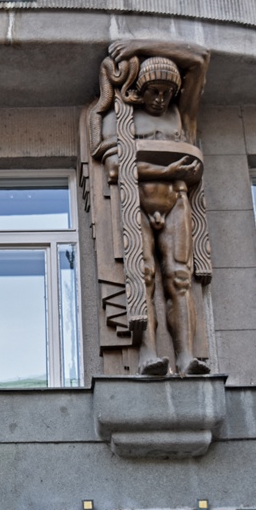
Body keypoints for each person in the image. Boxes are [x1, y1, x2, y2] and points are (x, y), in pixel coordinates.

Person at [96, 41, 211, 376]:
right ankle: (147, 354)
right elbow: (116, 166)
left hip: (176, 201)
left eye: (167, 92)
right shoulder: (120, 115)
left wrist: (139, 45)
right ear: (140, 90)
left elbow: (200, 60)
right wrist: (170, 170)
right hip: (138, 203)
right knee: (142, 276)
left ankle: (187, 356)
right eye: (153, 91)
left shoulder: (182, 115)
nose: (160, 99)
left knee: (179, 278)